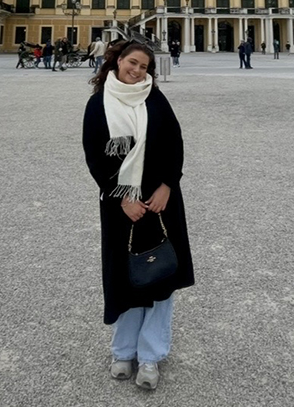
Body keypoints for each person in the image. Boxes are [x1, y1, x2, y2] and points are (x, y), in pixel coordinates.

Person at [82, 41, 194, 391]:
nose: (138, 70)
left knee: (161, 273)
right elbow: (95, 157)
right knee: (125, 274)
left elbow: (174, 145)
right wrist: (122, 197)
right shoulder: (98, 103)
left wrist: (167, 186)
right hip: (121, 205)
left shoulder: (155, 99)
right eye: (133, 62)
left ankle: (150, 355)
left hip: (160, 202)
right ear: (116, 61)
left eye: (145, 66)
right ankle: (123, 350)